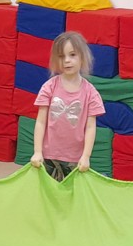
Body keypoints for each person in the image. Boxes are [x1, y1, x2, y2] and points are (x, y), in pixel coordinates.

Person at [30, 31, 105, 181]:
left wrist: (86, 156)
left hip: (76, 159)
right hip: (49, 155)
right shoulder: (49, 87)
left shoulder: (90, 93)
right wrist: (37, 151)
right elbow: (40, 121)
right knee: (49, 191)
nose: (67, 61)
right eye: (61, 56)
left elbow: (91, 127)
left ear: (82, 57)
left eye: (72, 55)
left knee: (73, 192)